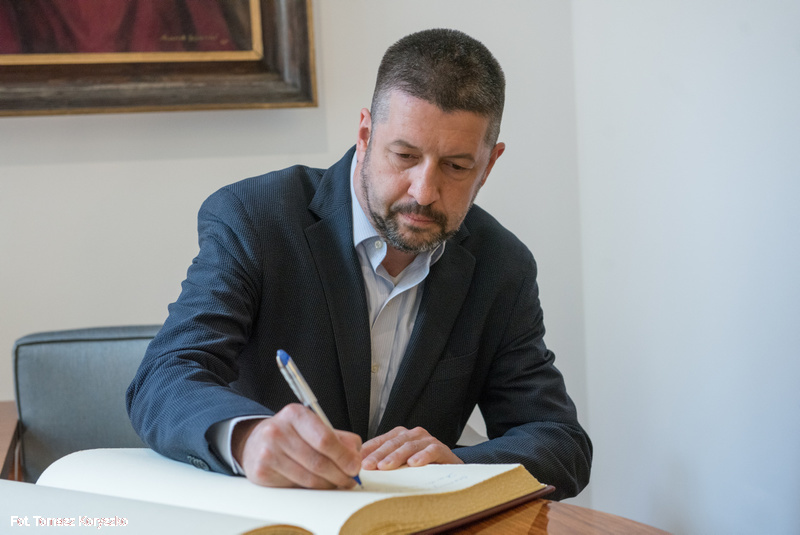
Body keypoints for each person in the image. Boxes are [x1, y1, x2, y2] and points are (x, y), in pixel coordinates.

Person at [126, 28, 592, 500]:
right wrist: (248, 438)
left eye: (456, 166)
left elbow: (561, 443)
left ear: (488, 165)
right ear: (366, 134)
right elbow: (164, 376)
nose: (423, 192)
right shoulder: (256, 219)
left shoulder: (501, 266)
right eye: (405, 155)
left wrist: (460, 465)